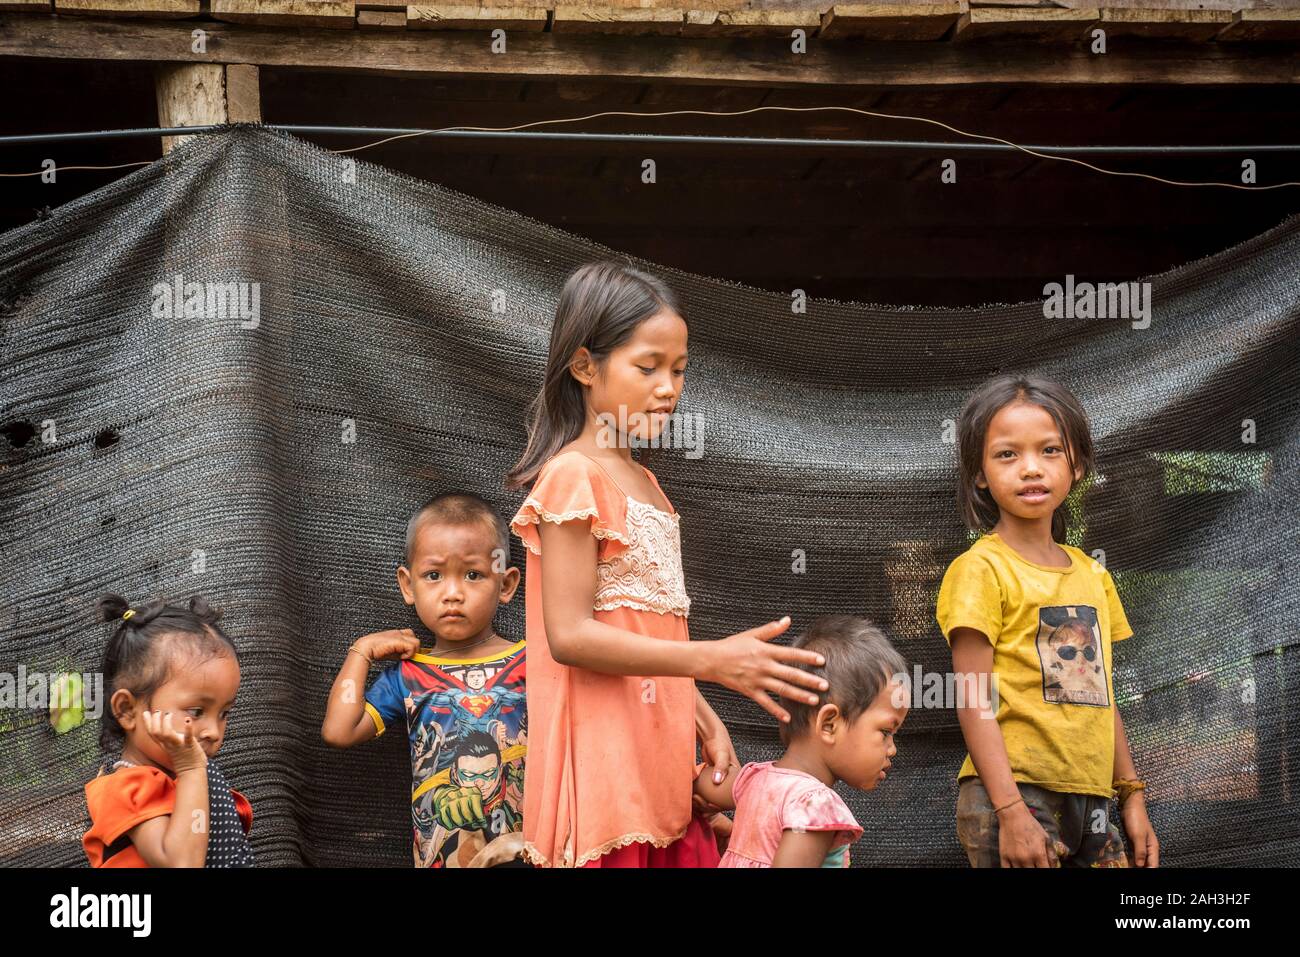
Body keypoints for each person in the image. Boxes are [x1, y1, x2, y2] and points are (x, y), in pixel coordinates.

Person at [505, 260, 829, 867]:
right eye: (647, 367)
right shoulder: (575, 475)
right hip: (606, 771)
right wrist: (711, 661)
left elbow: (641, 623)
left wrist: (698, 712)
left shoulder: (648, 483)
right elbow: (570, 635)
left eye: (678, 370)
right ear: (584, 366)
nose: (668, 387)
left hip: (658, 758)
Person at [937, 374, 1158, 868]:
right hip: (1015, 796)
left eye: (1050, 451)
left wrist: (1132, 796)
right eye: (1007, 454)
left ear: (1076, 464)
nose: (1031, 468)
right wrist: (1010, 810)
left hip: (1095, 800)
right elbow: (973, 697)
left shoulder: (1093, 574)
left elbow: (1101, 695)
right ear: (979, 473)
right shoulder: (980, 569)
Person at [321, 493, 527, 868]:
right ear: (408, 585)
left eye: (473, 574)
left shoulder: (534, 664)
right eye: (434, 576)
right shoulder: (409, 676)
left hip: (531, 852)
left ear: (506, 584)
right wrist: (360, 652)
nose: (452, 593)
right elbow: (339, 730)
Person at [695, 616, 908, 868]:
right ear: (829, 724)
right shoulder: (815, 805)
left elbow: (697, 784)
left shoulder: (752, 780)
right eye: (885, 732)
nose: (892, 749)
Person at [83, 593, 252, 868]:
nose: (213, 731)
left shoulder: (187, 778)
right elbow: (180, 863)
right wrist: (192, 770)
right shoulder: (125, 788)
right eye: (196, 712)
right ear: (127, 710)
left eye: (224, 714)